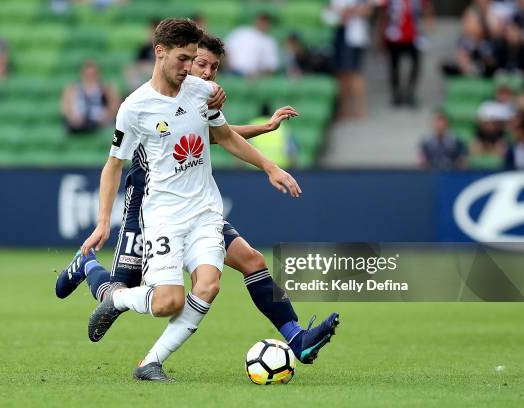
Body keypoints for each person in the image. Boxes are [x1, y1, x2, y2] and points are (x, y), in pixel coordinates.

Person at [57, 22, 335, 381]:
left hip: (204, 211)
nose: (191, 68)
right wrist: (101, 221)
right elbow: (113, 165)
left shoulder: (201, 93)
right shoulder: (135, 107)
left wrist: (269, 165)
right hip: (157, 211)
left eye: (198, 61)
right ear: (160, 53)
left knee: (212, 283)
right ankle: (99, 281)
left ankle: (150, 363)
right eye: (186, 59)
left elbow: (220, 135)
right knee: (155, 297)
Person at [380, 0, 434, 107]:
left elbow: (427, 7)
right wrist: (381, 36)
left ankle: (410, 93)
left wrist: (429, 22)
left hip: (414, 36)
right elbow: (384, 15)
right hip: (395, 36)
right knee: (394, 66)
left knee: (416, 65)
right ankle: (397, 94)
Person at [327, 0, 373, 119]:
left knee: (354, 74)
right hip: (340, 35)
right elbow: (329, 13)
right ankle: (344, 109)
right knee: (341, 75)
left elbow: (367, 10)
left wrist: (348, 12)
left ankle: (360, 109)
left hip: (354, 38)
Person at [61, 60, 121, 135]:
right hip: (79, 121)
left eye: (93, 74)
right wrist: (72, 117)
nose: (90, 77)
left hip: (99, 121)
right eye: (87, 74)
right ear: (82, 74)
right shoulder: (73, 88)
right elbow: (65, 107)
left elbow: (114, 105)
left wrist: (108, 116)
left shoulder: (106, 88)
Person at [224, 13, 280, 77]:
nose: (263, 24)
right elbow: (225, 49)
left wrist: (257, 75)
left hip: (253, 76)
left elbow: (271, 67)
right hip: (230, 72)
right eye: (261, 21)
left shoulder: (270, 42)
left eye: (265, 22)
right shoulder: (241, 31)